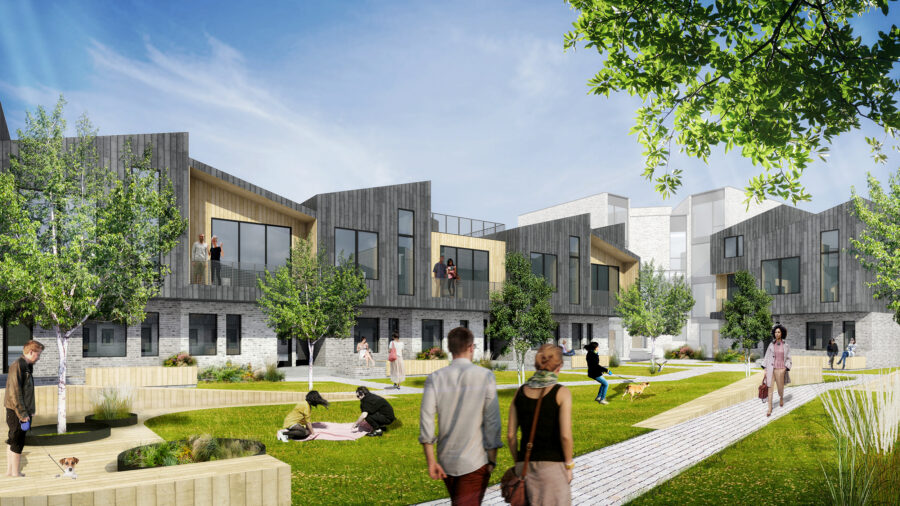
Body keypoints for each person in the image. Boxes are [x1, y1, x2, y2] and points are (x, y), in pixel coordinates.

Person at [419, 327, 502, 505]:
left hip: (446, 459)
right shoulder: (485, 376)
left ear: (449, 348)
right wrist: (492, 459)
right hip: (475, 460)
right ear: (471, 347)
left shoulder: (435, 378)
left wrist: (431, 460)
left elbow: (426, 420)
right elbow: (492, 422)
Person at [507, 344, 574, 506]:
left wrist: (518, 462)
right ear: (559, 367)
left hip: (525, 466)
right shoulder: (561, 393)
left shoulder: (520, 391)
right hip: (552, 468)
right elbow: (565, 436)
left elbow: (510, 436)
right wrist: (569, 465)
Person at [5, 340, 43, 477]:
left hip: (20, 410)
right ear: (31, 352)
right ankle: (15, 473)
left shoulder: (26, 366)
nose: (39, 357)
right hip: (17, 411)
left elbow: (26, 392)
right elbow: (15, 392)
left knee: (12, 439)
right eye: (38, 354)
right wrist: (22, 414)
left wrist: (30, 410)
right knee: (17, 441)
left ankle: (10, 472)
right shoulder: (18, 366)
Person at [762, 324, 792, 417]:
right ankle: (769, 408)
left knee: (780, 388)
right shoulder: (771, 345)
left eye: (778, 332)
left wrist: (786, 367)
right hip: (771, 369)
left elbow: (789, 358)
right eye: (775, 332)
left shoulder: (786, 345)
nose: (777, 334)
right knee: (770, 388)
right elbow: (767, 356)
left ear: (782, 333)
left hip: (781, 369)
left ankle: (781, 397)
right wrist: (765, 368)